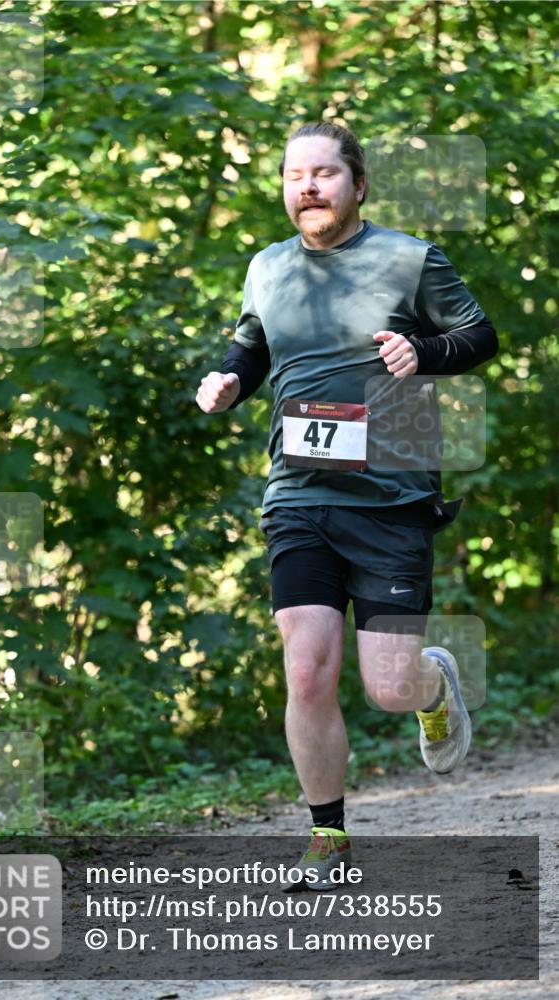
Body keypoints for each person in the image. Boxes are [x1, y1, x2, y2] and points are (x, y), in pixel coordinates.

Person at [195, 121, 498, 892]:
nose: (307, 186)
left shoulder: (408, 258)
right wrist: (230, 379)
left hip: (391, 498)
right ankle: (327, 835)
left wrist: (422, 352)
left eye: (324, 173)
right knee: (305, 670)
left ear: (356, 184)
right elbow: (254, 341)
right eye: (295, 174)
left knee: (387, 687)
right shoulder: (266, 266)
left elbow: (478, 335)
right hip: (298, 490)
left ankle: (431, 684)